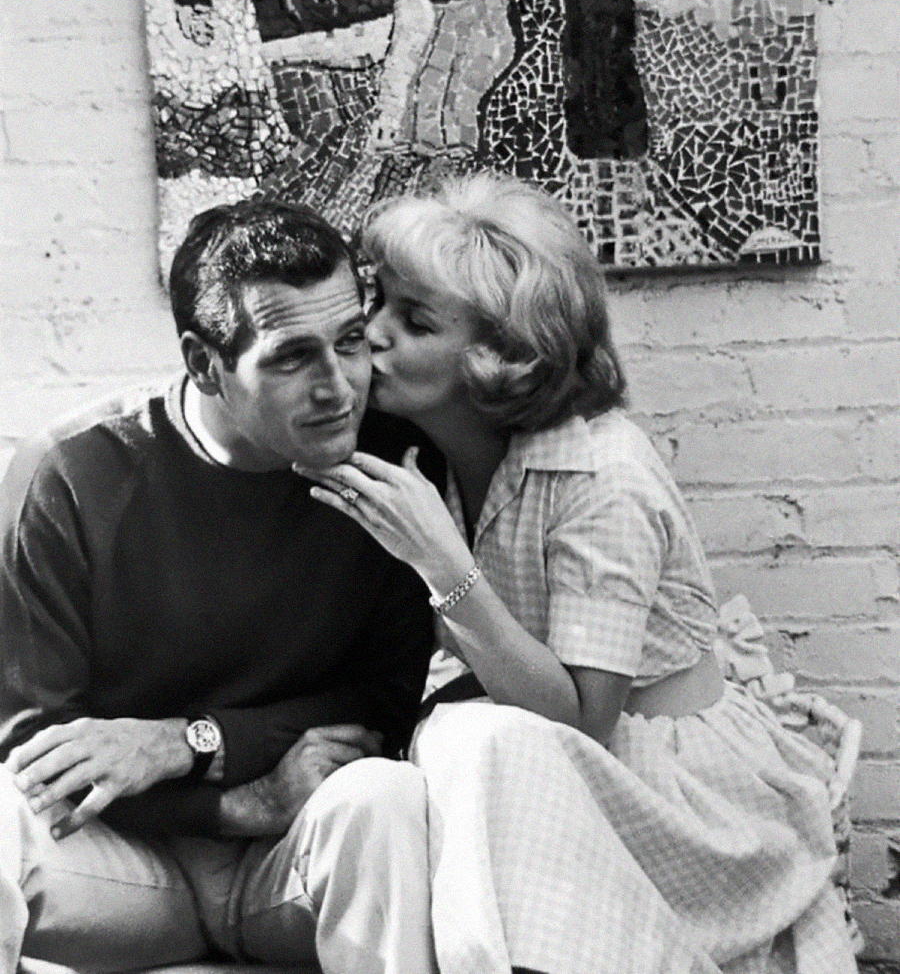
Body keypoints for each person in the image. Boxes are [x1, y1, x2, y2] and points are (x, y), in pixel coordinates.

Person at [304, 172, 860, 974]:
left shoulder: (603, 477)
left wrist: (441, 561)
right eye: (378, 300)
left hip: (669, 789)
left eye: (414, 319)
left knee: (471, 739)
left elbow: (581, 718)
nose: (374, 332)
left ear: (501, 357)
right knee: (447, 753)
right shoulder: (427, 452)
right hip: (541, 765)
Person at [0, 200, 441, 974]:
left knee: (388, 798)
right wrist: (235, 800)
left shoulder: (394, 467)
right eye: (291, 357)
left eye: (348, 342)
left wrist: (187, 743)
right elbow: (38, 750)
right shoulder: (73, 474)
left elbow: (390, 701)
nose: (339, 387)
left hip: (294, 851)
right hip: (127, 866)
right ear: (204, 362)